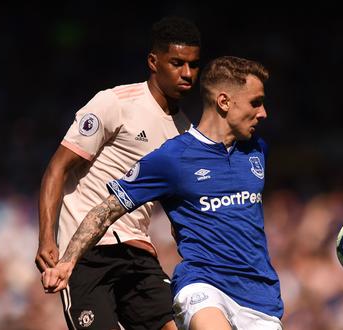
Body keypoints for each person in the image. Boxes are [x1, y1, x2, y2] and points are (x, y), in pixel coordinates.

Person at [42, 56, 284, 330]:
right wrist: (67, 262)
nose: (264, 113)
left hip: (261, 297)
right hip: (205, 288)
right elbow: (106, 209)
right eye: (256, 102)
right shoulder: (173, 158)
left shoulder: (257, 151)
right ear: (224, 102)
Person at [35, 17, 201, 330]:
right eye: (177, 63)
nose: (187, 74)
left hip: (138, 253)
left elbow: (179, 208)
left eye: (193, 65)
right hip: (85, 253)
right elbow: (56, 168)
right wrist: (46, 237)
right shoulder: (114, 103)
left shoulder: (186, 133)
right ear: (154, 61)